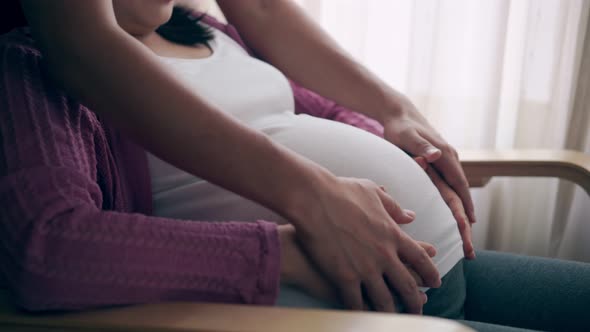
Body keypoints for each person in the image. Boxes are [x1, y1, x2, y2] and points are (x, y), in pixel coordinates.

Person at [0, 1, 588, 332]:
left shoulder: (216, 36)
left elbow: (322, 112)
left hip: (433, 268)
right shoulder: (36, 64)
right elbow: (49, 247)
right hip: (345, 308)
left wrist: (407, 152)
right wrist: (281, 252)